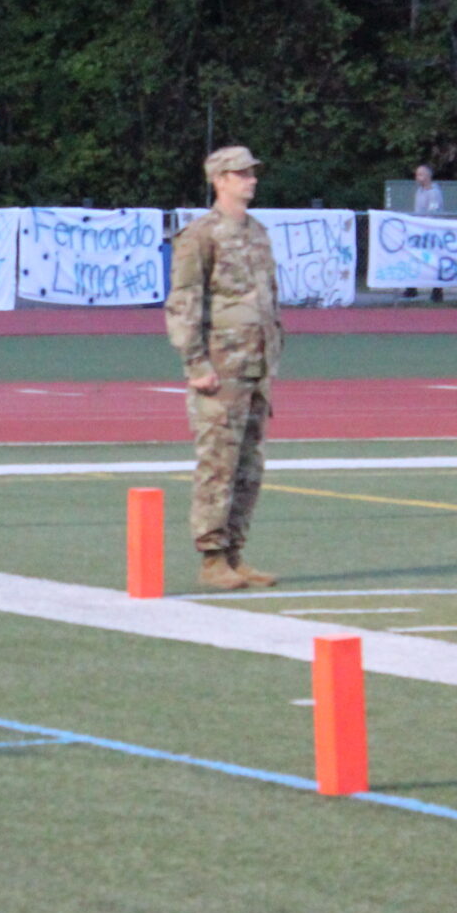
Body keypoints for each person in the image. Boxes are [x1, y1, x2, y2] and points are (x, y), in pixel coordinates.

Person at [165, 146, 282, 591]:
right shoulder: (201, 236)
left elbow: (269, 298)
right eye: (241, 174)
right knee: (218, 463)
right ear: (219, 179)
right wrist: (196, 362)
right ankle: (212, 557)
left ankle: (235, 552)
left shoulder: (257, 233)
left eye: (252, 173)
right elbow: (184, 302)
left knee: (249, 465)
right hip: (220, 367)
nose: (251, 180)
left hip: (255, 366)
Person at [407, 164, 447, 301]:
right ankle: (411, 288)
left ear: (428, 176)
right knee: (414, 257)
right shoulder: (419, 191)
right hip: (419, 231)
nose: (418, 177)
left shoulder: (434, 192)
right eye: (417, 174)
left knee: (434, 260)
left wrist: (424, 224)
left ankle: (437, 291)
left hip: (431, 232)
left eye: (421, 174)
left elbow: (433, 212)